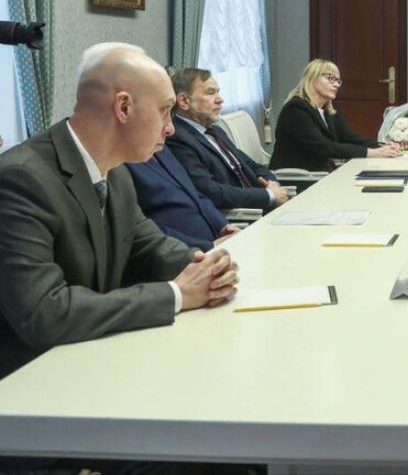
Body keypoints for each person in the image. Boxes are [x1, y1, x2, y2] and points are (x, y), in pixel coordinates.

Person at [0, 43, 238, 380]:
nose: (170, 127)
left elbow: (149, 245)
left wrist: (205, 267)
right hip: (29, 382)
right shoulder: (20, 178)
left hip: (89, 358)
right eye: (165, 111)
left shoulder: (117, 171)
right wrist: (176, 295)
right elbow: (44, 312)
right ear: (123, 107)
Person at [166, 67, 289, 211]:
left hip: (259, 205)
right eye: (210, 93)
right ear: (184, 101)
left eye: (218, 92)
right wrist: (269, 195)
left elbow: (251, 165)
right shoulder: (177, 139)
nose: (220, 99)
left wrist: (272, 183)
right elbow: (211, 192)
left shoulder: (215, 131)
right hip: (240, 217)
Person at [270, 59, 401, 172]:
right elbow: (324, 146)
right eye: (330, 78)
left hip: (320, 174)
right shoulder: (296, 109)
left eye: (338, 80)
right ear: (312, 78)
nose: (337, 84)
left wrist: (383, 145)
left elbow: (350, 138)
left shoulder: (327, 111)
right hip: (298, 178)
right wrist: (372, 153)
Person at [127, 145, 240, 251]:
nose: (171, 132)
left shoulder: (161, 148)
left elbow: (194, 195)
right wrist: (208, 246)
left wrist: (224, 226)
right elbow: (140, 229)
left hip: (218, 245)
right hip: (182, 255)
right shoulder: (121, 165)